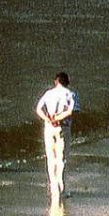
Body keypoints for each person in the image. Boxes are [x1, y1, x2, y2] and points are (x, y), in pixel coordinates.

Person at [35, 71, 77, 204]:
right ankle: (61, 190)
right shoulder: (70, 94)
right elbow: (70, 111)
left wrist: (48, 119)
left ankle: (53, 189)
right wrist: (58, 119)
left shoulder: (48, 93)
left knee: (50, 158)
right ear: (67, 82)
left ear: (56, 82)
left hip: (49, 127)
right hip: (62, 127)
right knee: (62, 159)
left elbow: (38, 109)